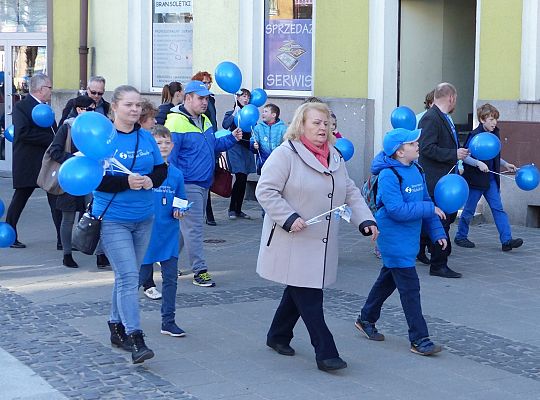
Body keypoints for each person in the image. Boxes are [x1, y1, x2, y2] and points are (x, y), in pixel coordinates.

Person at [255, 102, 378, 372]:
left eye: (326, 123)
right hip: (293, 238)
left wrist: (365, 219)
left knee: (300, 289)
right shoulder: (285, 154)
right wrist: (288, 217)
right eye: (316, 123)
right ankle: (326, 351)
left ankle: (278, 335)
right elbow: (265, 191)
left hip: (321, 239)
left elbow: (349, 191)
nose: (323, 127)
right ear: (301, 125)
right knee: (309, 295)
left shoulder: (334, 155)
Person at [355, 128, 446, 356]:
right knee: (410, 289)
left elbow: (426, 201)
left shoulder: (416, 169)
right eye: (413, 143)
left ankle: (365, 318)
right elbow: (396, 210)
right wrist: (429, 208)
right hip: (393, 237)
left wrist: (437, 233)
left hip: (409, 237)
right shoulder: (388, 175)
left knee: (388, 279)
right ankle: (420, 339)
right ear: (399, 151)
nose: (418, 145)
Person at [95, 85, 167, 364]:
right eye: (129, 105)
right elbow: (95, 180)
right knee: (128, 277)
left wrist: (151, 180)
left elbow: (161, 169)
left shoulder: (146, 138)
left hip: (144, 217)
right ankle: (136, 338)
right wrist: (125, 182)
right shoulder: (104, 139)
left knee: (128, 275)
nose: (135, 109)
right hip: (113, 219)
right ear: (115, 107)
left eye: (138, 105)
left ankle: (115, 325)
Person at [165, 80, 242, 287]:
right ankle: (200, 270)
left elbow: (214, 144)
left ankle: (166, 261)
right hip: (187, 184)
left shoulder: (205, 120)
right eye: (200, 98)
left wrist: (232, 139)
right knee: (194, 229)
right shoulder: (174, 123)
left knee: (184, 229)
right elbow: (170, 159)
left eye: (206, 98)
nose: (205, 102)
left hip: (203, 183)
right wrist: (175, 189)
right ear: (188, 98)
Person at [455, 103, 523, 252]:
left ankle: (507, 241)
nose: (494, 123)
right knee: (469, 209)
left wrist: (505, 164)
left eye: (496, 119)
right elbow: (464, 157)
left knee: (498, 208)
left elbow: (494, 155)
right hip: (475, 179)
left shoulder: (495, 133)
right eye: (491, 119)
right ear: (482, 119)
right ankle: (460, 236)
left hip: (490, 179)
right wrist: (477, 163)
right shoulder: (474, 135)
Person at [139, 125, 187, 336]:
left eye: (167, 142)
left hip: (168, 234)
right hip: (145, 233)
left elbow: (182, 199)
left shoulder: (176, 174)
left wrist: (179, 208)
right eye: (159, 143)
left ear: (173, 145)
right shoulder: (144, 171)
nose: (164, 146)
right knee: (135, 280)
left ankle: (168, 320)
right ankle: (123, 320)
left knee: (170, 280)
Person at [418, 82, 469, 279]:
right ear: (451, 98)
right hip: (436, 181)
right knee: (442, 222)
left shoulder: (442, 117)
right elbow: (426, 148)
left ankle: (426, 252)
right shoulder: (431, 118)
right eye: (455, 98)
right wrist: (453, 154)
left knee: (438, 220)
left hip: (444, 180)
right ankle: (439, 264)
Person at [5, 73, 62, 249]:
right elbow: (22, 133)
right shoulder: (22, 106)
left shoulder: (46, 108)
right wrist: (51, 140)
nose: (51, 91)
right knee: (20, 198)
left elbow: (54, 130)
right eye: (49, 87)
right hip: (28, 162)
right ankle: (10, 234)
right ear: (39, 88)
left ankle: (62, 240)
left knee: (55, 200)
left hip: (47, 162)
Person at [137, 99, 162, 298]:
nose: (154, 122)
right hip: (134, 205)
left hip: (149, 201)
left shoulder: (150, 139)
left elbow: (159, 169)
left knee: (147, 245)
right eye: (152, 118)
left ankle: (146, 281)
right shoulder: (140, 139)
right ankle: (146, 283)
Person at [222, 88, 256, 220]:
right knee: (240, 176)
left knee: (244, 178)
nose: (246, 99)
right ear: (237, 98)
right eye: (243, 96)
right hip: (235, 147)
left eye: (248, 97)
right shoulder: (231, 112)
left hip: (246, 147)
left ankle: (239, 209)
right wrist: (234, 114)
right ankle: (232, 209)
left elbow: (253, 129)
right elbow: (225, 125)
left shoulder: (251, 112)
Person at [192, 71, 218, 226]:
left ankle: (208, 213)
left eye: (209, 82)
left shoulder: (211, 101)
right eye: (205, 82)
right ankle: (208, 213)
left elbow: (212, 122)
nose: (208, 85)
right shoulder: (193, 109)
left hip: (210, 141)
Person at [416, 89, 435, 265]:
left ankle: (430, 243)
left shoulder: (446, 118)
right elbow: (424, 147)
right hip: (427, 171)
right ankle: (421, 247)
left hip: (442, 175)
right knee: (427, 211)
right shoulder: (425, 118)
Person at [251, 103, 286, 174]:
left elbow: (286, 144)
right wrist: (254, 145)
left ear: (273, 115)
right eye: (263, 112)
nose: (263, 114)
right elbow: (253, 140)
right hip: (263, 161)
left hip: (278, 163)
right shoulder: (258, 128)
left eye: (266, 111)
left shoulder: (283, 128)